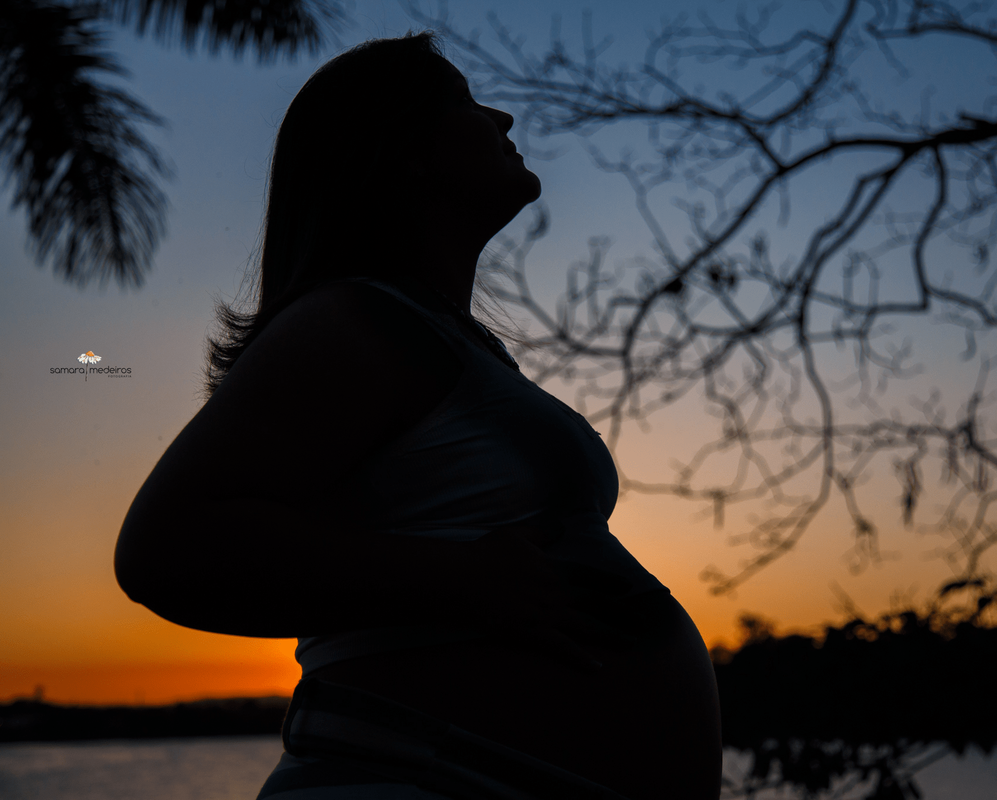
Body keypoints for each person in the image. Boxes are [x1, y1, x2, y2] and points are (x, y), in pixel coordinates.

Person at [114, 33, 722, 800]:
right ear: (400, 152)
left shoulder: (431, 338)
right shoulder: (354, 321)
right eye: (464, 102)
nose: (501, 116)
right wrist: (460, 580)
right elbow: (166, 549)